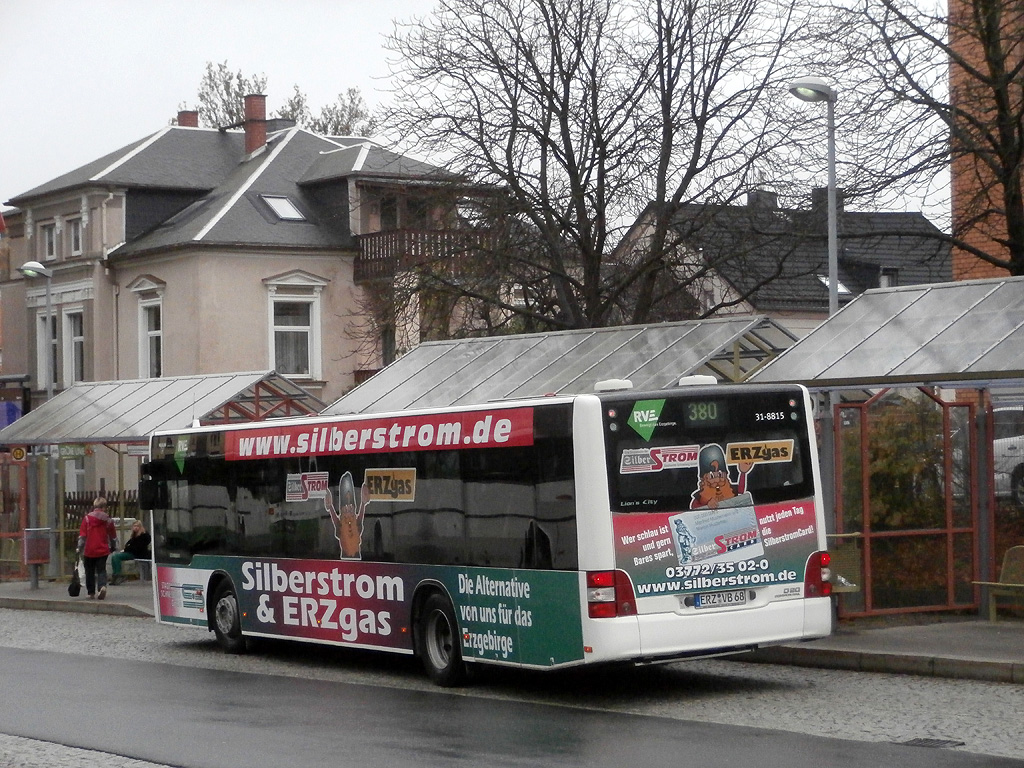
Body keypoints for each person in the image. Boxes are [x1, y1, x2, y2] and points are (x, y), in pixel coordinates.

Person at [76, 497, 117, 600]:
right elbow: (113, 536)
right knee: (101, 569)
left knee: (89, 571)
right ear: (104, 507)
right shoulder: (108, 520)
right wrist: (113, 546)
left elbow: (83, 536)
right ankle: (102, 586)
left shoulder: (87, 519)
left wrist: (79, 547)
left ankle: (91, 593)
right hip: (103, 549)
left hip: (88, 549)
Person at [110, 520, 152, 585]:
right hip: (132, 552)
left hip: (138, 554)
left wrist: (126, 549)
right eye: (134, 526)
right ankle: (116, 574)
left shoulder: (144, 536)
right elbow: (128, 545)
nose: (136, 528)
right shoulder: (134, 535)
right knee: (114, 556)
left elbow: (137, 547)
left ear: (140, 527)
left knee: (116, 557)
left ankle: (118, 575)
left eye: (137, 526)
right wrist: (127, 548)